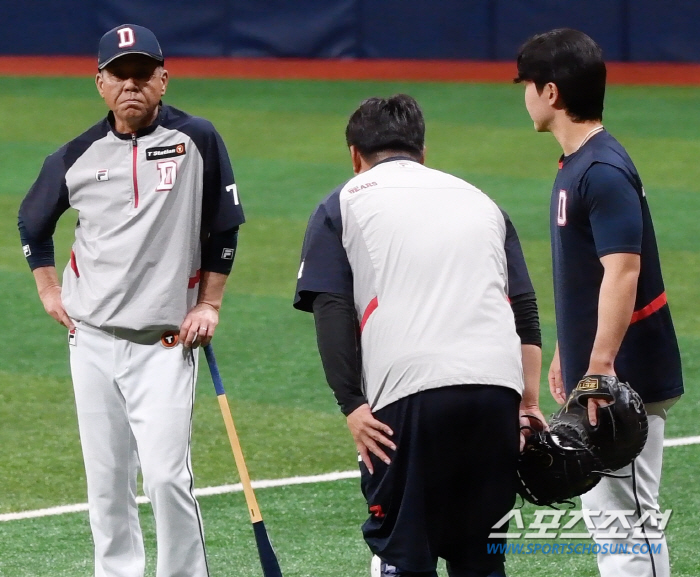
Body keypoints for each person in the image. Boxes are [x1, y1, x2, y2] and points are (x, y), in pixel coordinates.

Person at [18, 24, 244, 577]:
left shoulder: (198, 140)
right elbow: (32, 223)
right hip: (90, 342)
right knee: (107, 483)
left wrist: (208, 304)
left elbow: (225, 228)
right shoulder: (75, 156)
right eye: (120, 75)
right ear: (100, 83)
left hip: (164, 345)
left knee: (168, 478)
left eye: (143, 75)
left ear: (164, 80)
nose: (132, 86)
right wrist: (48, 287)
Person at [293, 94, 543, 577]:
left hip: (408, 401)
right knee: (482, 560)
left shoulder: (341, 204)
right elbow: (524, 309)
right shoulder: (483, 202)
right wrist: (527, 404)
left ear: (354, 155)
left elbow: (332, 310)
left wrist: (352, 405)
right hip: (496, 394)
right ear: (422, 151)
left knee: (406, 558)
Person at [515, 28, 683, 577]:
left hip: (624, 371)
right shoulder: (580, 164)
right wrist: (572, 349)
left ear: (553, 93)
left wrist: (602, 370)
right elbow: (588, 276)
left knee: (627, 516)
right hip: (604, 365)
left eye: (529, 85)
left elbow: (622, 271)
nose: (525, 96)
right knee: (607, 514)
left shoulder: (602, 170)